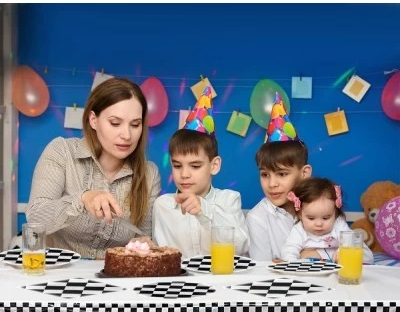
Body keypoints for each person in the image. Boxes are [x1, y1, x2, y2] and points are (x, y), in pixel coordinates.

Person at [26, 77, 161, 259]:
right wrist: (82, 199)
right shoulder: (62, 152)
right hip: (58, 277)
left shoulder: (149, 174)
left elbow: (143, 236)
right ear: (93, 120)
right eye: (115, 123)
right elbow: (36, 217)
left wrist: (142, 245)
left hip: (114, 279)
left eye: (135, 125)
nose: (127, 135)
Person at [152, 86, 248, 259]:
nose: (185, 174)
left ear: (214, 165)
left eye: (195, 166)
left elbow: (241, 248)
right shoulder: (162, 206)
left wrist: (204, 210)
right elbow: (162, 255)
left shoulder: (229, 199)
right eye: (177, 165)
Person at [246, 92, 312, 261]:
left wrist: (306, 255)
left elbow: (365, 255)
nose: (272, 184)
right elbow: (263, 272)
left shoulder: (323, 203)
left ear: (304, 173)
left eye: (282, 174)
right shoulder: (258, 218)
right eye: (265, 175)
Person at [281, 177, 374, 264]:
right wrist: (292, 262)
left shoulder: (338, 225)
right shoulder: (299, 230)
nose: (319, 224)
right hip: (311, 272)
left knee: (358, 250)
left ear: (335, 214)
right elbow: (289, 250)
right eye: (311, 218)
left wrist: (342, 252)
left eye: (326, 218)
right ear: (300, 215)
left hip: (337, 271)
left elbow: (354, 244)